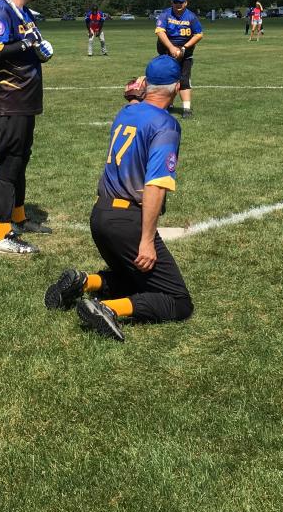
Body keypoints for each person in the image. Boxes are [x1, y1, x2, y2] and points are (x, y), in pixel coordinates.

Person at [44, 55, 194, 341]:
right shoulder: (167, 125)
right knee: (178, 301)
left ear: (145, 84)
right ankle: (107, 308)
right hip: (128, 221)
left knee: (133, 279)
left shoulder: (126, 112)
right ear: (177, 87)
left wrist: (136, 93)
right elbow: (155, 186)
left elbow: (137, 103)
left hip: (100, 216)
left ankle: (84, 282)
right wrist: (147, 240)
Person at [0, 0, 54, 255]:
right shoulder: (2, 9)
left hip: (25, 100)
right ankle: (2, 235)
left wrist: (40, 51)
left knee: (22, 159)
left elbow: (28, 49)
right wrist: (26, 45)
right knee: (9, 163)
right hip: (8, 100)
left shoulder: (23, 12)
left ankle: (20, 218)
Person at [154, 0, 203, 119]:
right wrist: (171, 47)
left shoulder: (191, 17)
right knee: (167, 78)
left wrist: (184, 48)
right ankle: (167, 104)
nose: (178, 5)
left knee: (184, 79)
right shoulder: (165, 14)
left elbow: (199, 34)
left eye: (181, 2)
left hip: (185, 51)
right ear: (172, 3)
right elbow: (160, 31)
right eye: (176, 2)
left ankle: (186, 109)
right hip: (166, 50)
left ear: (186, 3)